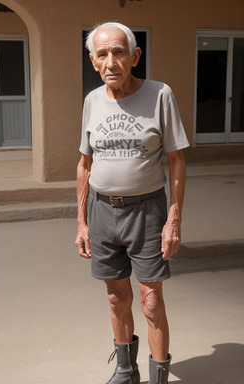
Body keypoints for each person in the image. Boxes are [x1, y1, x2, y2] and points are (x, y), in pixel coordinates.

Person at [75, 21, 189, 384]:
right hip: (102, 210)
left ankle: (158, 378)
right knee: (115, 295)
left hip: (147, 212)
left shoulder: (159, 95)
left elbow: (176, 159)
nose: (111, 61)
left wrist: (174, 219)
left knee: (151, 299)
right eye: (103, 54)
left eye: (119, 52)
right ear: (93, 61)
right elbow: (84, 163)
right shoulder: (92, 100)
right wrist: (81, 222)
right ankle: (126, 370)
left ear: (135, 56)